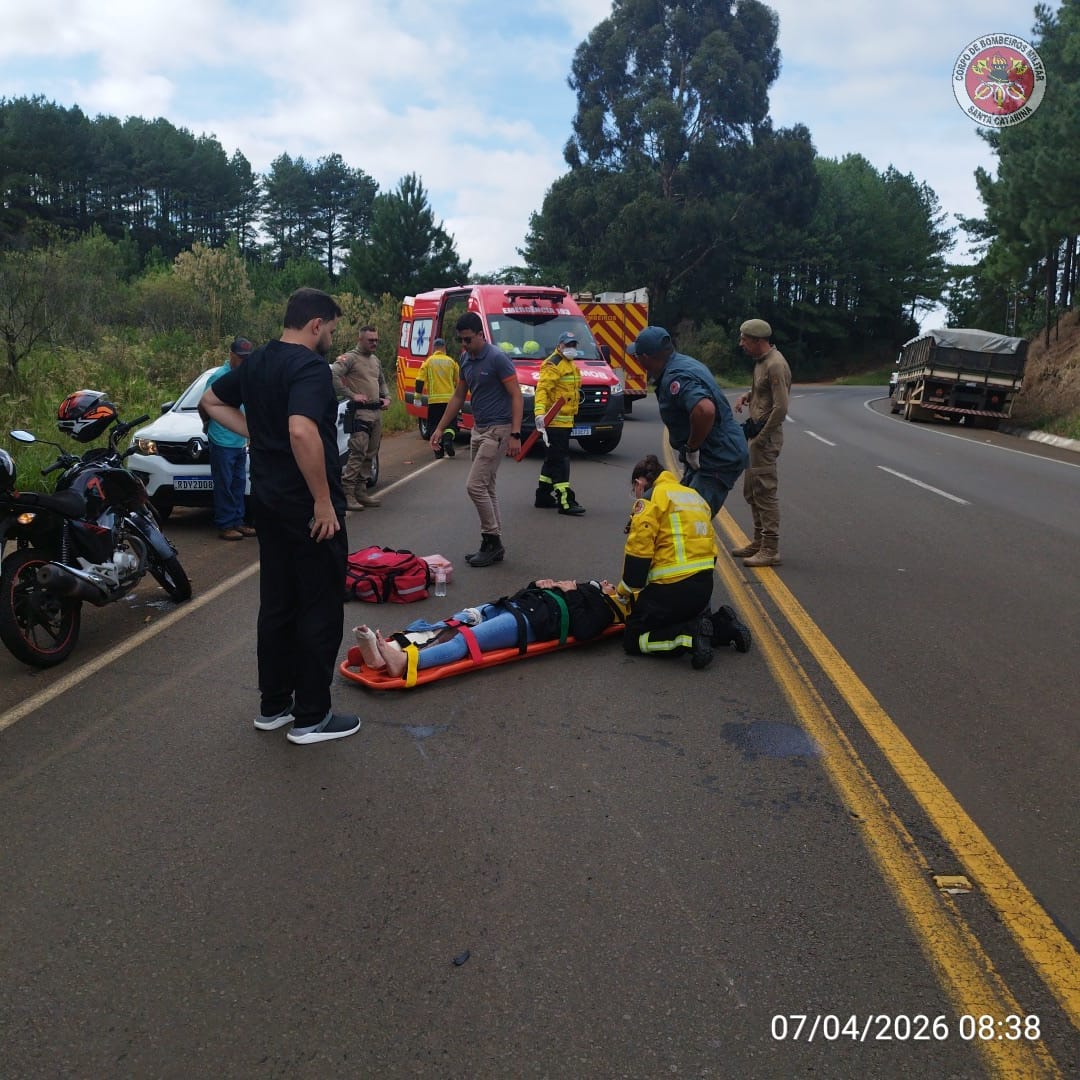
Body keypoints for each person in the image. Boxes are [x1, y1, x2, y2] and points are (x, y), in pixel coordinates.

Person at [199, 287, 361, 746]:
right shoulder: (309, 366)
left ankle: (275, 706)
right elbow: (301, 429)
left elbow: (211, 402)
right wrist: (324, 501)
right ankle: (312, 717)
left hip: (266, 501)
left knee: (278, 602)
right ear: (315, 324)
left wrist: (257, 431)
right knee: (319, 605)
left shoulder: (259, 362)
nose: (331, 336)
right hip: (306, 507)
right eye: (331, 328)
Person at [617, 454, 751, 671]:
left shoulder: (651, 500)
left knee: (633, 639)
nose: (636, 495)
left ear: (639, 483)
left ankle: (688, 637)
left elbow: (638, 557)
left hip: (671, 591)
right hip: (703, 587)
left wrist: (623, 592)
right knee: (679, 620)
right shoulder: (694, 496)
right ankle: (724, 626)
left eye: (635, 490)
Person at [354, 578, 630, 678]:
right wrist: (537, 585)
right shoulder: (582, 588)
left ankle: (403, 663)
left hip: (528, 623)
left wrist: (570, 594)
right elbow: (530, 594)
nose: (607, 582)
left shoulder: (604, 610)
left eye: (611, 586)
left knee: (466, 640)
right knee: (454, 621)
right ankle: (390, 649)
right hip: (513, 606)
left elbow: (582, 630)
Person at [429, 312, 524, 568]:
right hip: (478, 430)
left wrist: (515, 434)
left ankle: (491, 540)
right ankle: (494, 544)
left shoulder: (497, 359)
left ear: (481, 335)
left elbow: (516, 396)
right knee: (487, 486)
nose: (464, 345)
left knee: (475, 486)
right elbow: (459, 396)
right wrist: (439, 428)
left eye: (468, 340)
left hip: (499, 429)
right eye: (461, 340)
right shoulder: (465, 359)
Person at [628, 325, 748, 518]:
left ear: (647, 358)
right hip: (707, 455)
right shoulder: (684, 363)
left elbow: (704, 410)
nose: (636, 360)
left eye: (637, 356)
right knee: (672, 508)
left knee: (689, 523)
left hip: (717, 458)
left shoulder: (676, 377)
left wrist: (692, 447)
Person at [732, 318, 791, 567]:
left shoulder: (776, 365)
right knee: (752, 491)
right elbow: (762, 390)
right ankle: (758, 541)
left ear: (758, 341)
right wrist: (748, 395)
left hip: (764, 440)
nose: (741, 344)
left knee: (765, 492)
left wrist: (761, 439)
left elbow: (781, 408)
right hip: (756, 436)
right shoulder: (761, 363)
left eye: (745, 339)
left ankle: (770, 548)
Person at [331, 324, 388, 512]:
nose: (374, 343)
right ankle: (347, 494)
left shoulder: (375, 360)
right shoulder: (350, 358)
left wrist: (386, 397)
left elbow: (381, 381)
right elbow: (333, 374)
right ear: (360, 339)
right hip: (359, 413)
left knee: (371, 453)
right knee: (357, 453)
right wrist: (351, 394)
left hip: (375, 412)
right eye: (371, 340)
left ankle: (361, 491)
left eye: (376, 340)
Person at [207, 337, 256, 541]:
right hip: (221, 439)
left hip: (238, 440)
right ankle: (226, 524)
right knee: (224, 484)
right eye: (240, 358)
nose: (244, 362)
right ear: (231, 355)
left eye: (247, 358)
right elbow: (207, 404)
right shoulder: (219, 376)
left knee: (238, 483)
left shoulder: (245, 376)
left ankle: (238, 521)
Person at [534, 330, 586, 516]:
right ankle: (566, 500)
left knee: (552, 459)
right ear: (560, 345)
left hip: (565, 421)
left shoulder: (569, 364)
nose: (571, 348)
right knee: (560, 462)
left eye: (574, 345)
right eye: (568, 345)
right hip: (554, 423)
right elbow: (542, 390)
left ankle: (543, 496)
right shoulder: (553, 364)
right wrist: (540, 414)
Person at [415, 337, 459, 459]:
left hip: (434, 401)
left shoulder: (428, 362)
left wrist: (417, 397)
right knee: (450, 424)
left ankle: (438, 451)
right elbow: (459, 381)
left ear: (434, 348)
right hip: (449, 401)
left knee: (434, 425)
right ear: (444, 348)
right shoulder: (451, 362)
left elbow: (419, 379)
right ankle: (448, 440)